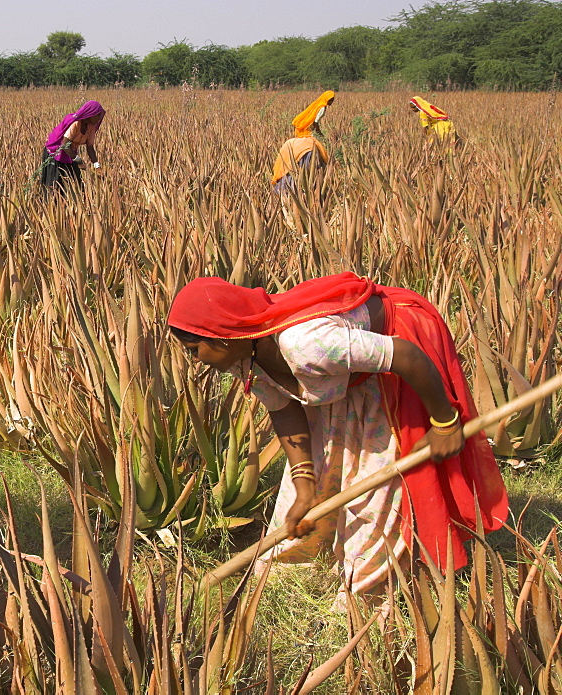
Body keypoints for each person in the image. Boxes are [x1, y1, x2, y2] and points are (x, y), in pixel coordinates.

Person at [167, 272, 508, 600]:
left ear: (224, 337)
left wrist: (445, 423)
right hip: (341, 373)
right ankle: (298, 561)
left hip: (400, 346)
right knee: (319, 472)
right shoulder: (246, 355)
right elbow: (285, 410)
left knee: (375, 486)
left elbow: (406, 356)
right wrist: (305, 488)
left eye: (194, 348)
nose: (193, 360)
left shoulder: (307, 346)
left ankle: (366, 591)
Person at [271, 91, 334, 194]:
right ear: (326, 99)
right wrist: (319, 133)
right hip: (310, 130)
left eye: (332, 100)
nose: (331, 102)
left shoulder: (318, 104)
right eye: (330, 100)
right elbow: (315, 122)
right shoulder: (322, 107)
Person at [40, 100, 105, 195]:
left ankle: (74, 203)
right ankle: (51, 206)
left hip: (70, 153)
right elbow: (64, 145)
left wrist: (96, 165)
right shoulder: (75, 123)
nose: (99, 118)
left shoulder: (91, 127)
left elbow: (90, 147)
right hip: (56, 153)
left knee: (76, 180)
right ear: (91, 114)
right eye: (97, 115)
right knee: (54, 184)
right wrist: (78, 160)